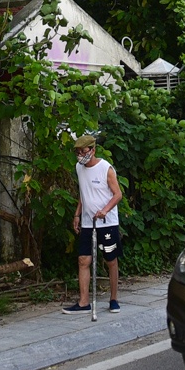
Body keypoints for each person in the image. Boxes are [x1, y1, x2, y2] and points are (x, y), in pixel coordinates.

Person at [64, 134, 123, 315]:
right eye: (78, 152)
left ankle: (114, 299)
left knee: (110, 260)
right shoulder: (79, 168)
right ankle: (83, 303)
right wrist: (77, 215)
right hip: (88, 222)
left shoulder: (106, 168)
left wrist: (105, 210)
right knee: (84, 260)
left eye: (83, 151)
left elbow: (118, 194)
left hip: (107, 222)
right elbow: (84, 193)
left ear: (93, 150)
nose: (80, 155)